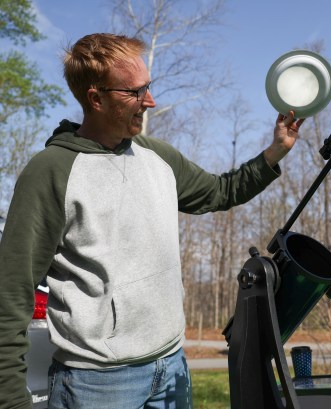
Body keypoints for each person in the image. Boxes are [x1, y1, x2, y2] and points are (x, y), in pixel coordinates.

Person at [0, 33, 305, 409]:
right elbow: (11, 291)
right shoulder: (52, 172)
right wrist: (10, 399)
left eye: (150, 86)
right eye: (135, 92)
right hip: (97, 384)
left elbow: (221, 192)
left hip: (172, 366)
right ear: (96, 98)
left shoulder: (155, 155)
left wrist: (276, 150)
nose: (151, 100)